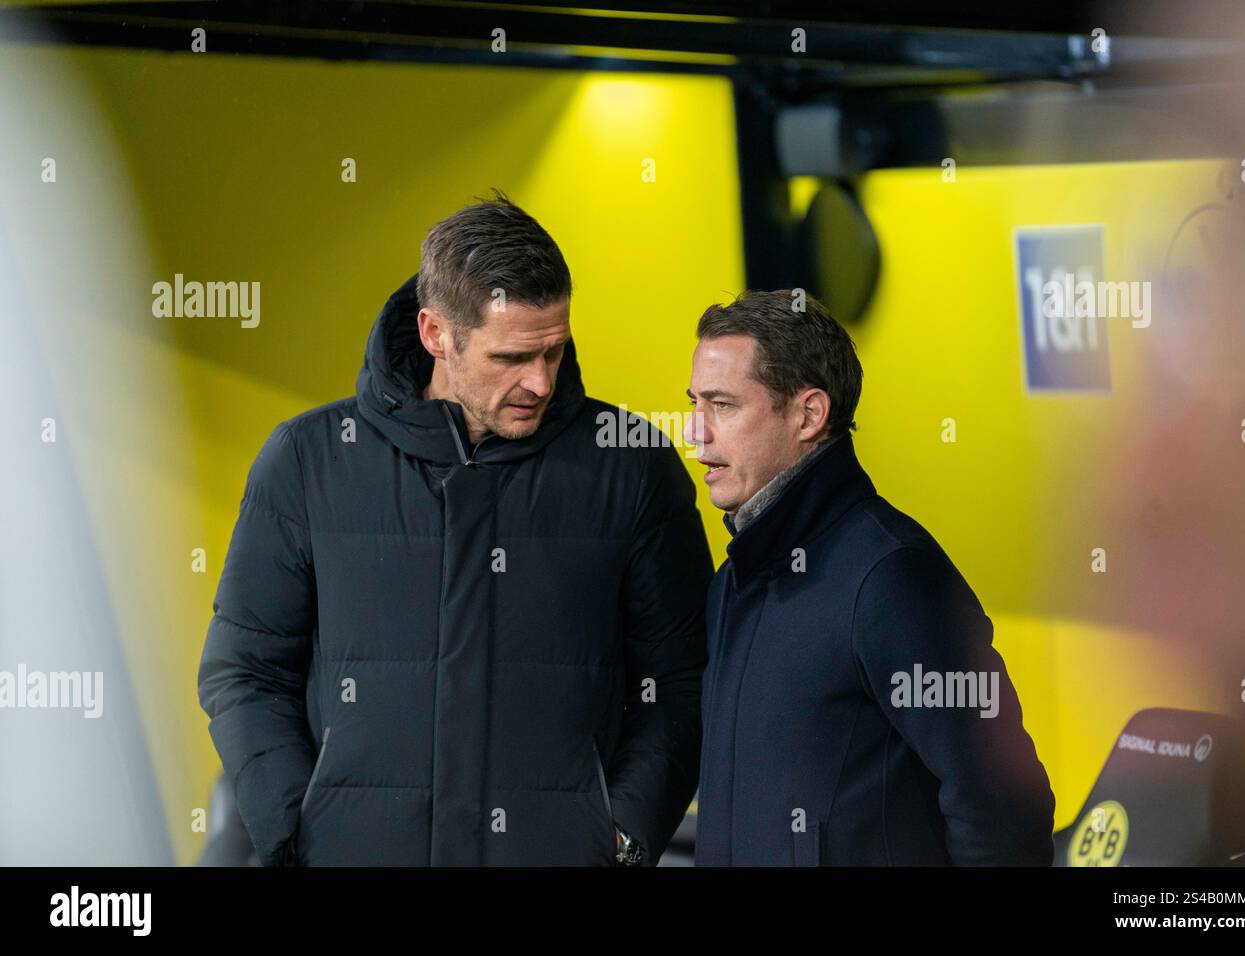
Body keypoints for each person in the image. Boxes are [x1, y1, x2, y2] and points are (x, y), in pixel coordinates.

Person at [197, 190, 712, 866]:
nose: (539, 381)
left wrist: (619, 836)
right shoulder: (307, 461)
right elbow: (244, 671)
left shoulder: (629, 466)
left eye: (553, 352)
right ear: (436, 334)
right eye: (509, 359)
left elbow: (684, 679)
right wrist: (295, 834)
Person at [684, 289, 1055, 865]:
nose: (695, 433)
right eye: (694, 404)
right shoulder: (732, 581)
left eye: (723, 405)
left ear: (809, 414)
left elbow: (1004, 807)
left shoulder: (894, 579)